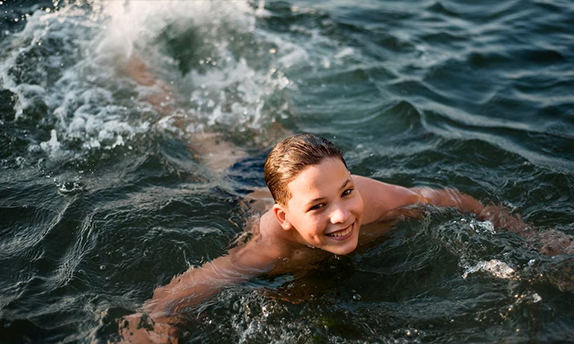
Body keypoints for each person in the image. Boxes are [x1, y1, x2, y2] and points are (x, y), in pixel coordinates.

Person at [117, 133, 538, 343]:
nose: (342, 215)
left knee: (283, 139)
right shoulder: (268, 247)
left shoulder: (378, 202)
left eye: (347, 192)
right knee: (212, 147)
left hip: (300, 175)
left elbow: (448, 198)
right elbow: (167, 301)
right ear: (285, 218)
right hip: (243, 185)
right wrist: (155, 329)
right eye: (318, 207)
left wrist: (531, 236)